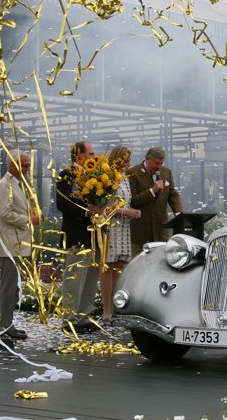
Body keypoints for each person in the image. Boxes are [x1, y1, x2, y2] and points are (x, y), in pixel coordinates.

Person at [55, 141, 105, 332]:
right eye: (90, 154)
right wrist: (87, 212)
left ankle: (84, 316)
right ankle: (69, 319)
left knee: (90, 278)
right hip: (76, 233)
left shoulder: (94, 176)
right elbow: (62, 203)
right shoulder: (66, 174)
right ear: (79, 155)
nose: (93, 157)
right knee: (74, 278)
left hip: (92, 234)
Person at [0, 150, 41, 338]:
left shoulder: (18, 184)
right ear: (12, 165)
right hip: (10, 242)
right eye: (24, 165)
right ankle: (4, 325)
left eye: (28, 165)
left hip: (19, 241)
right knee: (9, 286)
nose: (28, 169)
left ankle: (7, 323)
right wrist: (28, 219)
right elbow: (4, 214)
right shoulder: (4, 185)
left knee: (14, 287)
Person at [99, 146, 141, 324]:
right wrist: (125, 212)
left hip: (123, 227)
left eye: (129, 161)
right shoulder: (107, 178)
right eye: (125, 161)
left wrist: (132, 211)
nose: (128, 164)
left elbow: (125, 202)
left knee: (119, 264)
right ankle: (106, 310)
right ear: (117, 160)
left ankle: (116, 306)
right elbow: (102, 207)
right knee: (107, 266)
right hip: (111, 227)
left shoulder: (124, 178)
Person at [128, 146, 183, 257]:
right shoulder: (133, 173)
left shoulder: (166, 172)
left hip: (160, 229)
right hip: (141, 231)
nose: (159, 167)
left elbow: (173, 195)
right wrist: (152, 191)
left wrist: (179, 214)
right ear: (148, 159)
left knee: (159, 264)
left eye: (161, 163)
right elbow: (133, 201)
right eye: (156, 163)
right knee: (140, 265)